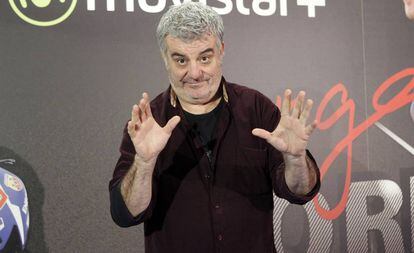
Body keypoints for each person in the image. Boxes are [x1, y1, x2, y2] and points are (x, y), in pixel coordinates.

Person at [109, 2, 320, 253]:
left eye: (204, 57)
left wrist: (295, 159)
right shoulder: (148, 121)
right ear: (165, 58)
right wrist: (144, 163)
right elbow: (125, 214)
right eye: (181, 60)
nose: (195, 73)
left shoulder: (256, 109)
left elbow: (300, 192)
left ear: (221, 51)